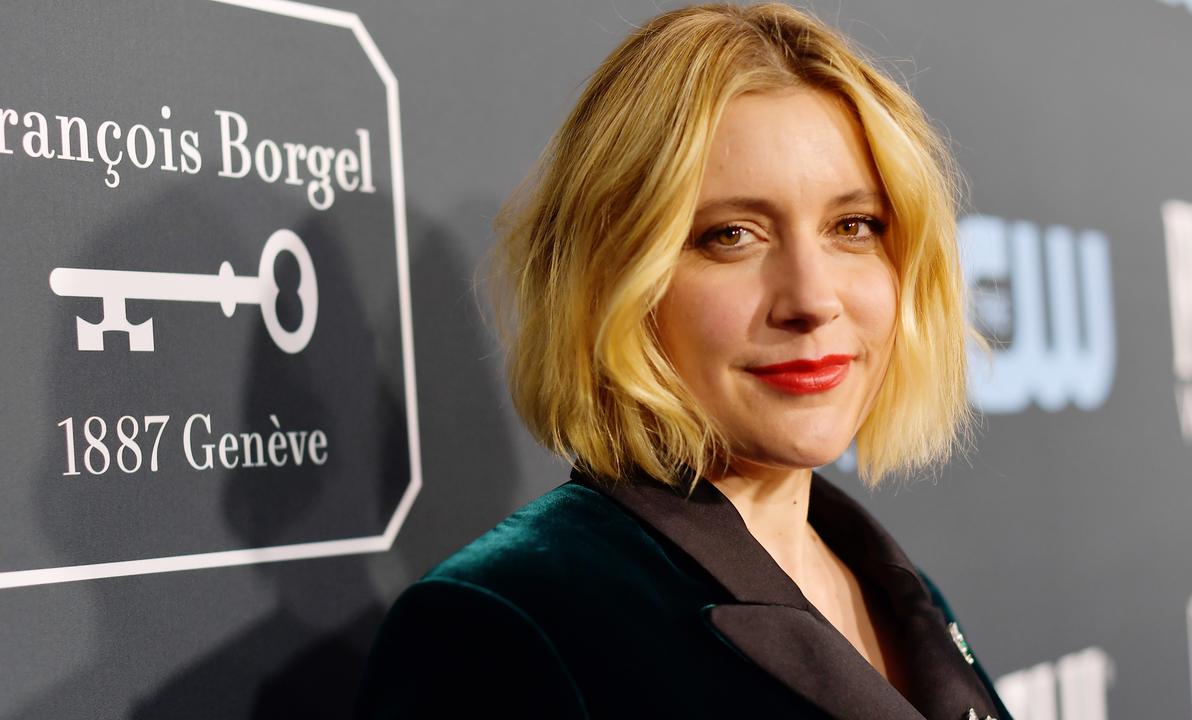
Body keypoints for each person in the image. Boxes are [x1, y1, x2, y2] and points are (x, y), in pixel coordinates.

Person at [356, 3, 1009, 719]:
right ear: (614, 280)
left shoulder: (894, 588)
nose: (811, 298)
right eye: (732, 235)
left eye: (853, 227)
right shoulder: (502, 628)